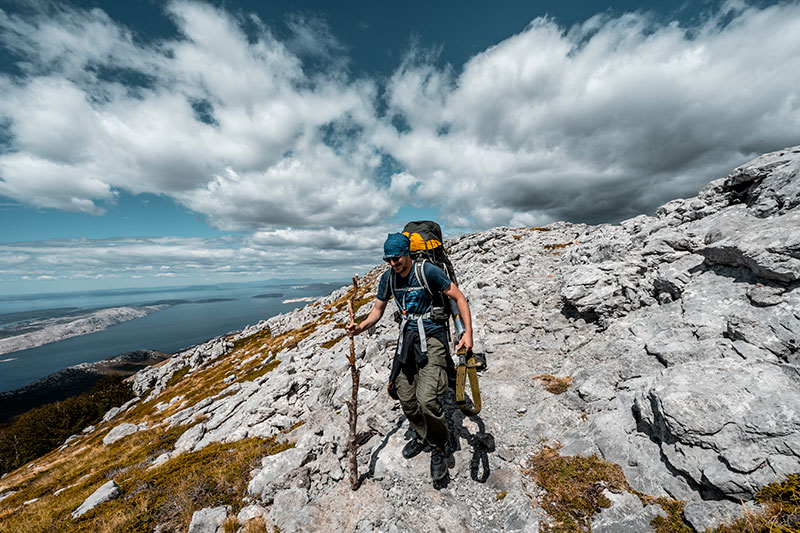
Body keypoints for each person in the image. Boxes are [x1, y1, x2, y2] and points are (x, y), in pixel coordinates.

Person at [346, 232, 473, 482]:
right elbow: (377, 310)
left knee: (426, 398)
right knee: (403, 393)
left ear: (407, 253)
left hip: (433, 338)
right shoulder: (388, 278)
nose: (393, 264)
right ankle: (423, 433)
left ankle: (439, 446)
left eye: (397, 259)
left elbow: (458, 297)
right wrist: (360, 327)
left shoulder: (428, 271)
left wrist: (467, 334)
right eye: (389, 260)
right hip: (407, 340)